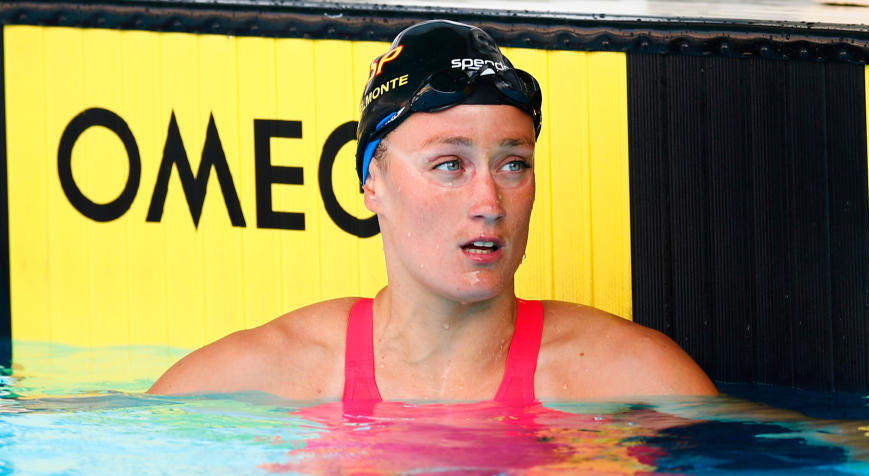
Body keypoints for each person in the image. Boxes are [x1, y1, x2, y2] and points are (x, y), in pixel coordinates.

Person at [149, 19, 716, 402]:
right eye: (450, 164)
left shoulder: (635, 381)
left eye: (513, 163)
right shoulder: (272, 374)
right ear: (373, 182)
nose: (489, 203)